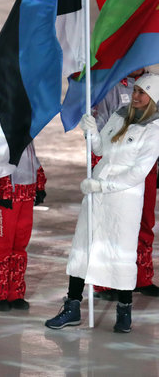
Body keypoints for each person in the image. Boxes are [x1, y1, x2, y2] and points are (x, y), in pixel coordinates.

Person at [46, 74, 159, 333]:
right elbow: (101, 151)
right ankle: (72, 305)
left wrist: (103, 186)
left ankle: (124, 310)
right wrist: (93, 132)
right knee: (83, 247)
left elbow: (138, 172)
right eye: (136, 90)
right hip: (96, 196)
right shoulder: (120, 116)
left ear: (153, 98)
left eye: (143, 92)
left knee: (119, 252)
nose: (136, 95)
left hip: (122, 200)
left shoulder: (154, 129)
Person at [91, 68, 159, 300]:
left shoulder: (152, 83)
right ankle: (104, 282)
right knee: (109, 224)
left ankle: (140, 277)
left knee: (144, 220)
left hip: (145, 165)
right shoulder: (111, 85)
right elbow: (101, 126)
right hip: (116, 164)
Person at [0, 143, 46, 312]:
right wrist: (2, 188)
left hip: (26, 191)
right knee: (1, 244)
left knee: (20, 244)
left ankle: (15, 293)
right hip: (5, 194)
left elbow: (32, 158)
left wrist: (39, 184)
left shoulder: (25, 128)